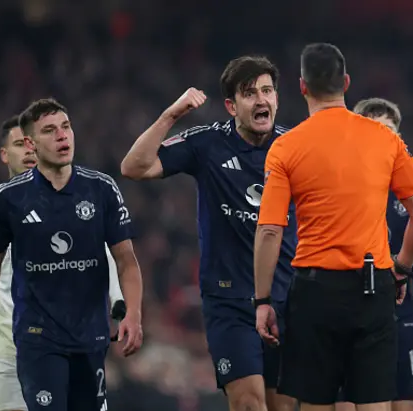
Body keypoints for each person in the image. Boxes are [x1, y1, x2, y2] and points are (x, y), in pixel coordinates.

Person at [253, 43, 413, 411]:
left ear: (302, 86)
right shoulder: (385, 139)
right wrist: (400, 269)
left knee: (316, 403)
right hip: (373, 289)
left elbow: (271, 230)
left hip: (314, 293)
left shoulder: (286, 147)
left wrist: (262, 300)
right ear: (347, 83)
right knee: (373, 403)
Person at [120, 56, 297, 411]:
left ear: (277, 98)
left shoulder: (296, 147)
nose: (261, 100)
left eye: (267, 91)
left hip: (287, 298)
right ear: (231, 106)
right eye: (250, 93)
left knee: (283, 407)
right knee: (249, 403)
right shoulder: (207, 143)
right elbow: (133, 166)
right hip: (229, 302)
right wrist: (171, 115)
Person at [0, 98, 144, 411]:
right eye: (49, 130)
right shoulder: (9, 200)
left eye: (66, 127)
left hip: (91, 337)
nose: (62, 136)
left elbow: (126, 261)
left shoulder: (101, 190)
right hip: (38, 338)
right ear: (30, 143)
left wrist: (133, 314)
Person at [332, 98, 413, 411]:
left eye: (390, 132)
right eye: (374, 131)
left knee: (405, 406)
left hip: (401, 322)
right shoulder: (337, 189)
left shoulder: (412, 197)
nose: (383, 139)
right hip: (349, 320)